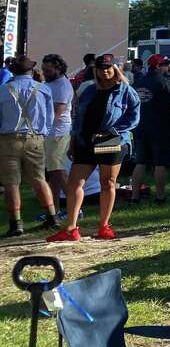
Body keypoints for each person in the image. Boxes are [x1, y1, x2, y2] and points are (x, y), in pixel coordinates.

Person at [48, 53, 140, 242]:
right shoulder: (89, 90)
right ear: (95, 70)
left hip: (110, 140)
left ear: (114, 69)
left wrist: (112, 132)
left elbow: (134, 117)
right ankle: (71, 229)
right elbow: (78, 117)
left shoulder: (125, 90)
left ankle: (104, 226)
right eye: (101, 68)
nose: (105, 71)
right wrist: (74, 140)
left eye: (108, 68)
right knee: (74, 183)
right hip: (85, 141)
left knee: (107, 182)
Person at [0, 55, 57, 236]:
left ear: (12, 70)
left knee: (11, 183)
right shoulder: (44, 89)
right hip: (35, 138)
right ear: (31, 70)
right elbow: (49, 118)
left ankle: (16, 223)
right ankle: (52, 217)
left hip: (9, 139)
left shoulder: (3, 90)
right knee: (39, 179)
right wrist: (42, 133)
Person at [130, 54, 170, 204]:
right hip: (160, 127)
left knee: (140, 162)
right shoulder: (165, 82)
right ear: (158, 66)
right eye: (164, 64)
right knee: (160, 163)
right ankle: (160, 196)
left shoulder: (138, 82)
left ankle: (135, 197)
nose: (167, 67)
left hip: (140, 126)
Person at [40, 54, 73, 218]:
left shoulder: (62, 86)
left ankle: (74, 207)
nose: (44, 72)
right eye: (43, 69)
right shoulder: (48, 84)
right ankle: (55, 211)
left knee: (59, 172)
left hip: (59, 133)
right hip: (49, 134)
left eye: (48, 70)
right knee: (53, 173)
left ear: (58, 68)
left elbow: (56, 113)